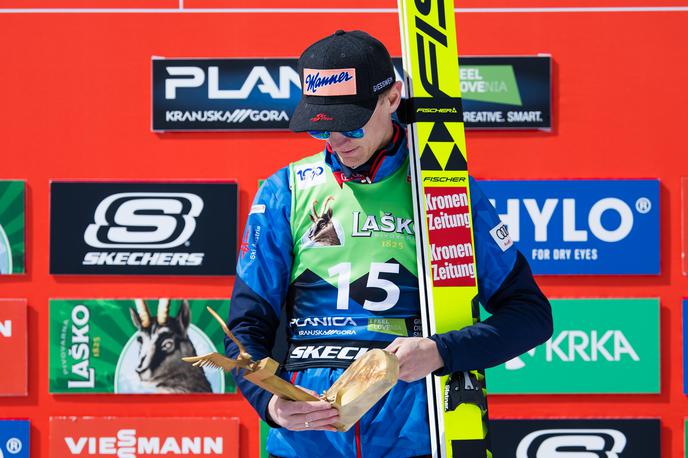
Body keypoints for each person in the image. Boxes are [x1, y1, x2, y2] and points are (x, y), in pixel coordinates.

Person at [226, 30, 553, 458]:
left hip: (419, 433)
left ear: (393, 98)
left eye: (351, 123)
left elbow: (530, 315)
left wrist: (441, 351)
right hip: (308, 439)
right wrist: (269, 403)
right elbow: (244, 329)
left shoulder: (444, 189)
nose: (337, 142)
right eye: (321, 129)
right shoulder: (285, 190)